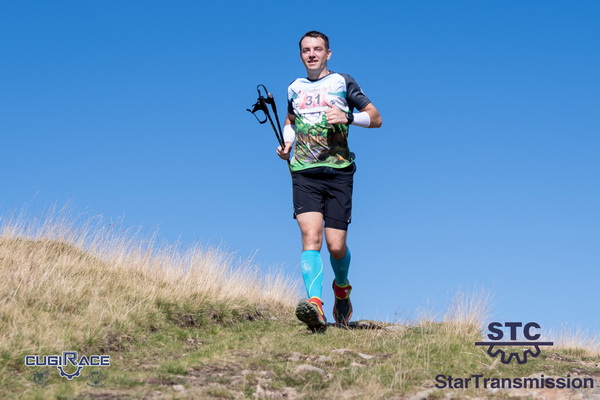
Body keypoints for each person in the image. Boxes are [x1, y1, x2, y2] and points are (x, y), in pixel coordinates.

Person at [277, 31, 382, 332]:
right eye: (306, 50)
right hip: (304, 172)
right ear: (301, 55)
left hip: (339, 172)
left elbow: (375, 118)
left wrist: (348, 117)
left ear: (328, 53)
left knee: (336, 246)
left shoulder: (342, 82)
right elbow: (290, 122)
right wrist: (287, 144)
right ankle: (315, 305)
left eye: (317, 49)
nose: (312, 54)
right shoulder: (294, 88)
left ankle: (342, 290)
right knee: (311, 238)